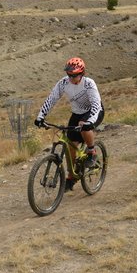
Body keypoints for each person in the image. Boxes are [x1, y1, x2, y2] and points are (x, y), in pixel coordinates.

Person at [33, 57, 104, 193]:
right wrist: (41, 116)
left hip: (94, 112)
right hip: (77, 113)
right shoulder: (63, 83)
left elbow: (96, 105)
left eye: (74, 75)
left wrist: (90, 123)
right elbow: (51, 99)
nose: (71, 77)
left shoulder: (89, 84)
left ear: (81, 73)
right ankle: (71, 177)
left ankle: (91, 151)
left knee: (83, 125)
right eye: (69, 74)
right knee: (70, 146)